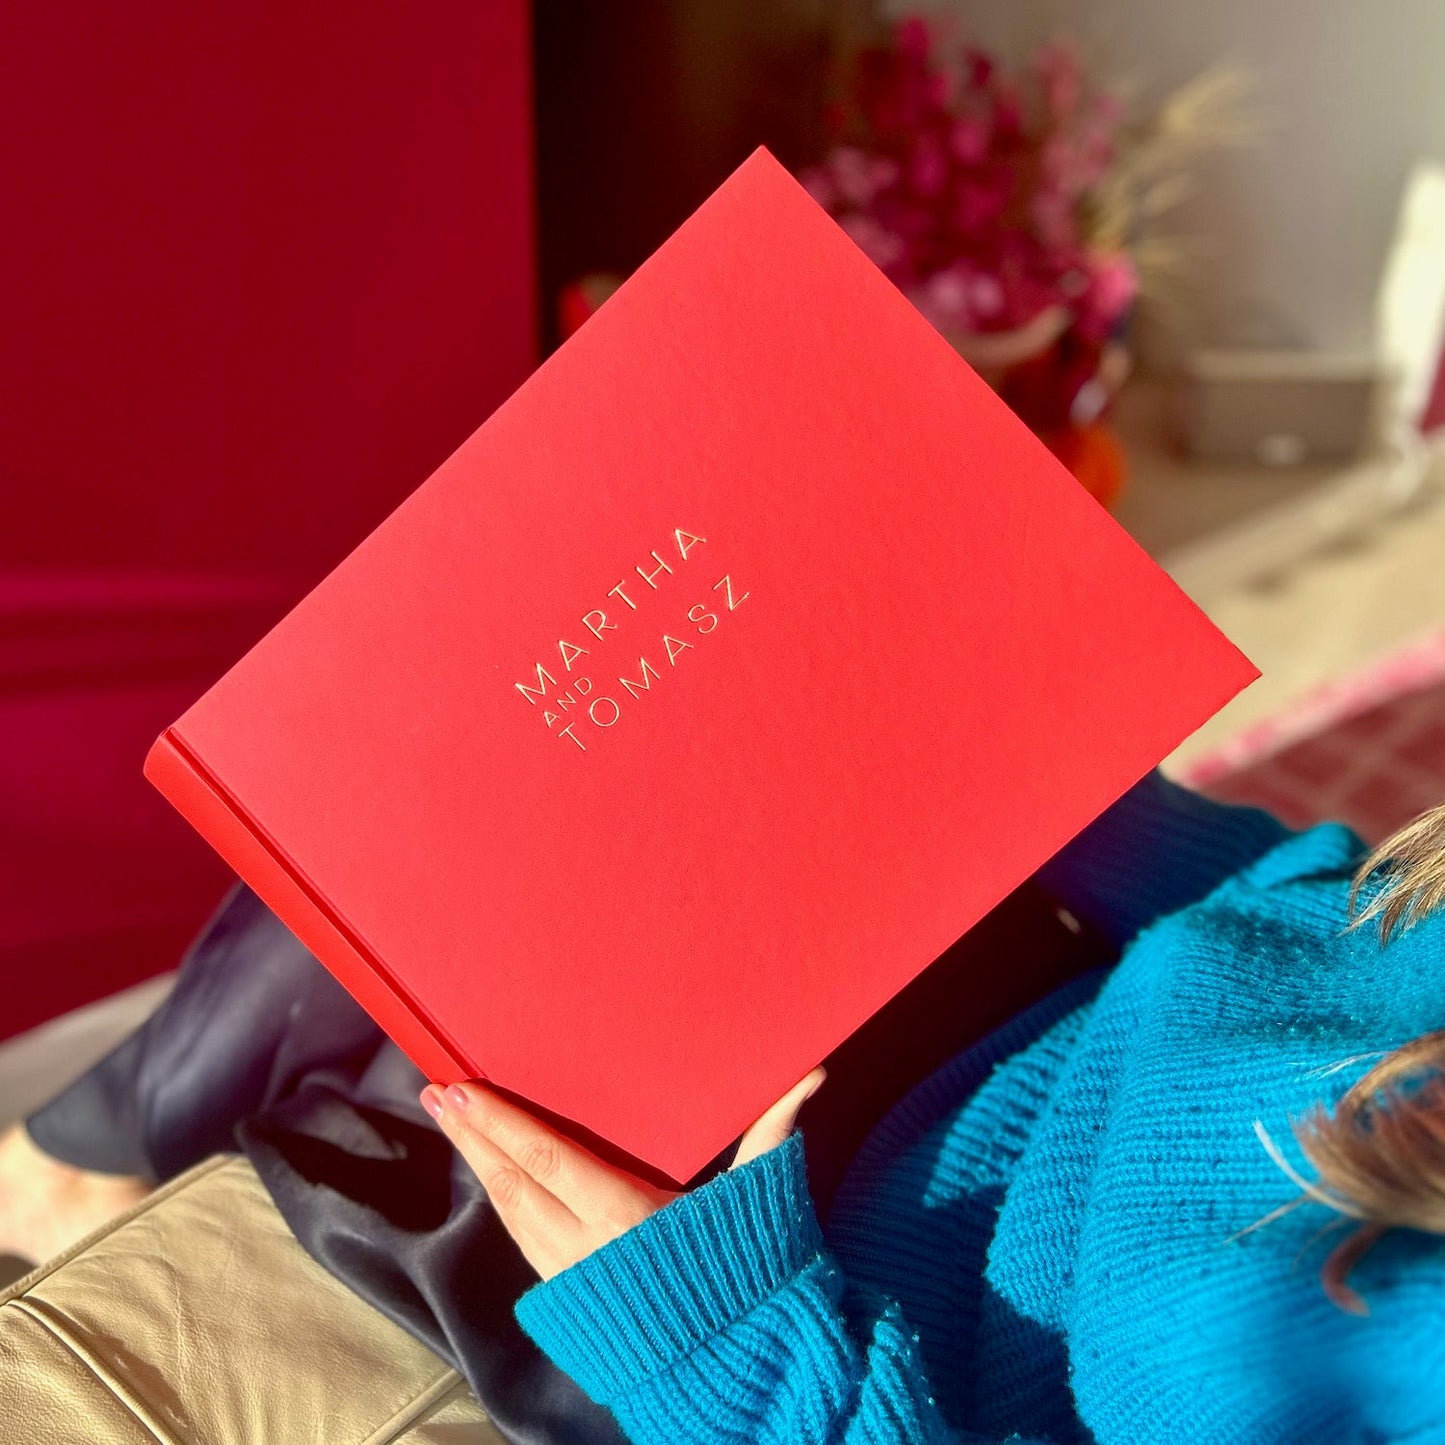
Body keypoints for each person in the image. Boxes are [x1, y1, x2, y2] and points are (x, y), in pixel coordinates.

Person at [3, 773, 1444, 1441]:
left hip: (795, 1302)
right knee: (469, 750)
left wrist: (726, 1335)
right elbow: (1313, 912)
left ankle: (74, 1159)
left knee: (422, 922)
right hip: (986, 1009)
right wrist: (1039, 756)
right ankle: (81, 1153)